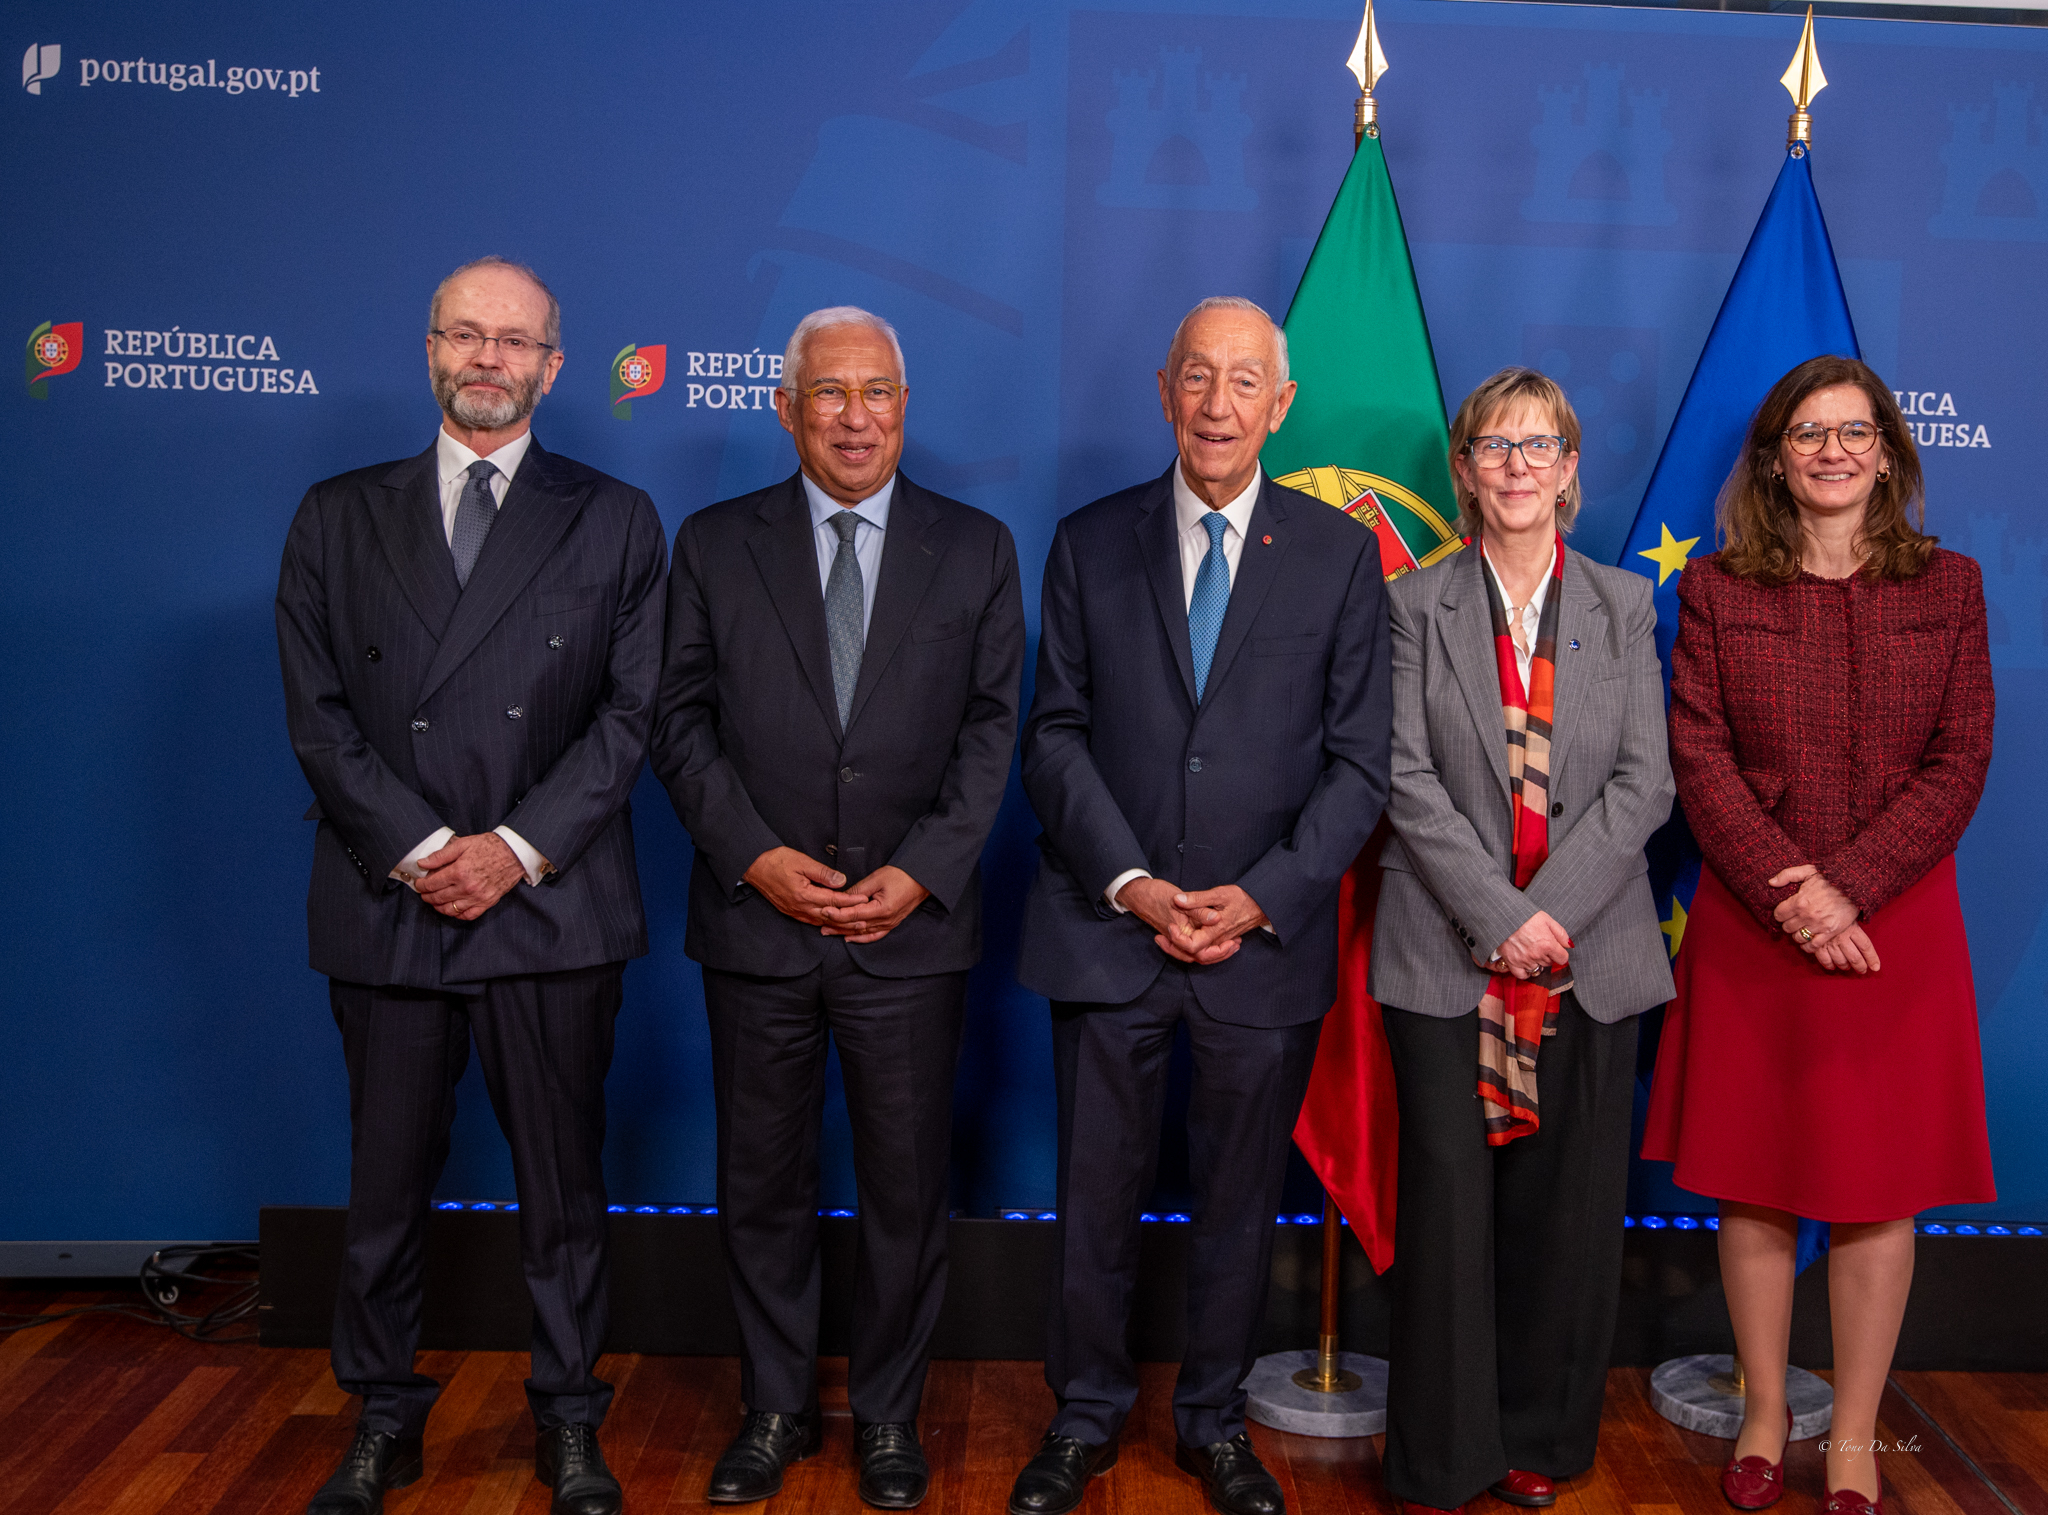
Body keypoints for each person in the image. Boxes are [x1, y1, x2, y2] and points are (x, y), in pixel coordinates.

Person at [276, 256, 669, 1515]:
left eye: (514, 340)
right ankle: (381, 1416)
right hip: (390, 898)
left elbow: (630, 715)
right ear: (429, 350)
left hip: (549, 906)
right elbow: (320, 718)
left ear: (554, 364)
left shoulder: (614, 517)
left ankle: (567, 1419)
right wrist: (423, 849)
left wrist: (510, 850)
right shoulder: (336, 515)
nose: (487, 357)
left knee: (561, 1190)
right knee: (385, 1187)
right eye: (464, 335)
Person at [1011, 296, 1391, 1515]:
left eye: (1243, 383)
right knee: (1095, 1205)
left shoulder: (1337, 557)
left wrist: (1261, 896)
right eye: (1196, 378)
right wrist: (1131, 883)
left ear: (1279, 407)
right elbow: (1054, 737)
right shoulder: (1087, 541)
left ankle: (1214, 1423)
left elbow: (1359, 768)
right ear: (1164, 391)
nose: (1217, 404)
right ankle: (1080, 1421)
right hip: (1105, 928)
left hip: (1257, 946)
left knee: (1236, 1211)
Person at [651, 307, 1024, 1510]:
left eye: (876, 394)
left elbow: (989, 733)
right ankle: (771, 1409)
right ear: (786, 407)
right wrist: (752, 856)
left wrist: (919, 871)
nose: (854, 417)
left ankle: (887, 1417)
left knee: (906, 1189)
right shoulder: (713, 544)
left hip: (909, 930)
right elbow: (678, 722)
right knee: (760, 1182)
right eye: (829, 395)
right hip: (758, 923)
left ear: (904, 408)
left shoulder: (975, 550)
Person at [1643, 355, 1994, 1515]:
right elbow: (1696, 757)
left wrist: (1844, 890)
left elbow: (1959, 762)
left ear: (1887, 450)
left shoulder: (1949, 587)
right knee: (1754, 1185)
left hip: (1895, 926)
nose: (1831, 451)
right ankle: (1758, 1413)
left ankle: (1850, 1434)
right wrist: (1791, 894)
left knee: (1875, 1189)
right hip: (1756, 924)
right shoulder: (1717, 593)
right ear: (1773, 458)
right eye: (1806, 434)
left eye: (1852, 432)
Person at [1367, 367, 1674, 1515]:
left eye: (1535, 447)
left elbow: (1644, 782)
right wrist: (1500, 918)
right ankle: (1445, 1455)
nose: (1513, 467)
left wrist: (1555, 916)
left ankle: (1540, 1437)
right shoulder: (1409, 606)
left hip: (1593, 958)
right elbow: (1398, 775)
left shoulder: (1621, 606)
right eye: (1491, 447)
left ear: (1569, 472)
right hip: (1441, 955)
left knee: (1568, 1212)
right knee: (1447, 1210)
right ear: (1461, 470)